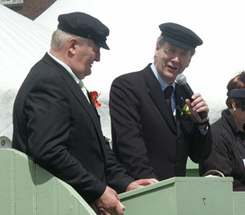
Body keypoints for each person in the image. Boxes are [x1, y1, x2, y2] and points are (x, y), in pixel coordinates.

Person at [12, 12, 157, 215]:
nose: (98, 58)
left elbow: (99, 149)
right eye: (95, 50)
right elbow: (49, 150)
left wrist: (126, 184)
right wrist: (98, 190)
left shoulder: (65, 81)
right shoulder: (48, 81)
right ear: (72, 45)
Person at [109, 22, 212, 181]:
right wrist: (155, 188)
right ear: (158, 49)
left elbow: (199, 156)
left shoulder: (183, 95)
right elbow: (130, 146)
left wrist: (202, 125)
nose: (176, 59)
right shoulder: (128, 86)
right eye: (171, 51)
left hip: (176, 194)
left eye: (183, 54)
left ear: (189, 61)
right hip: (144, 190)